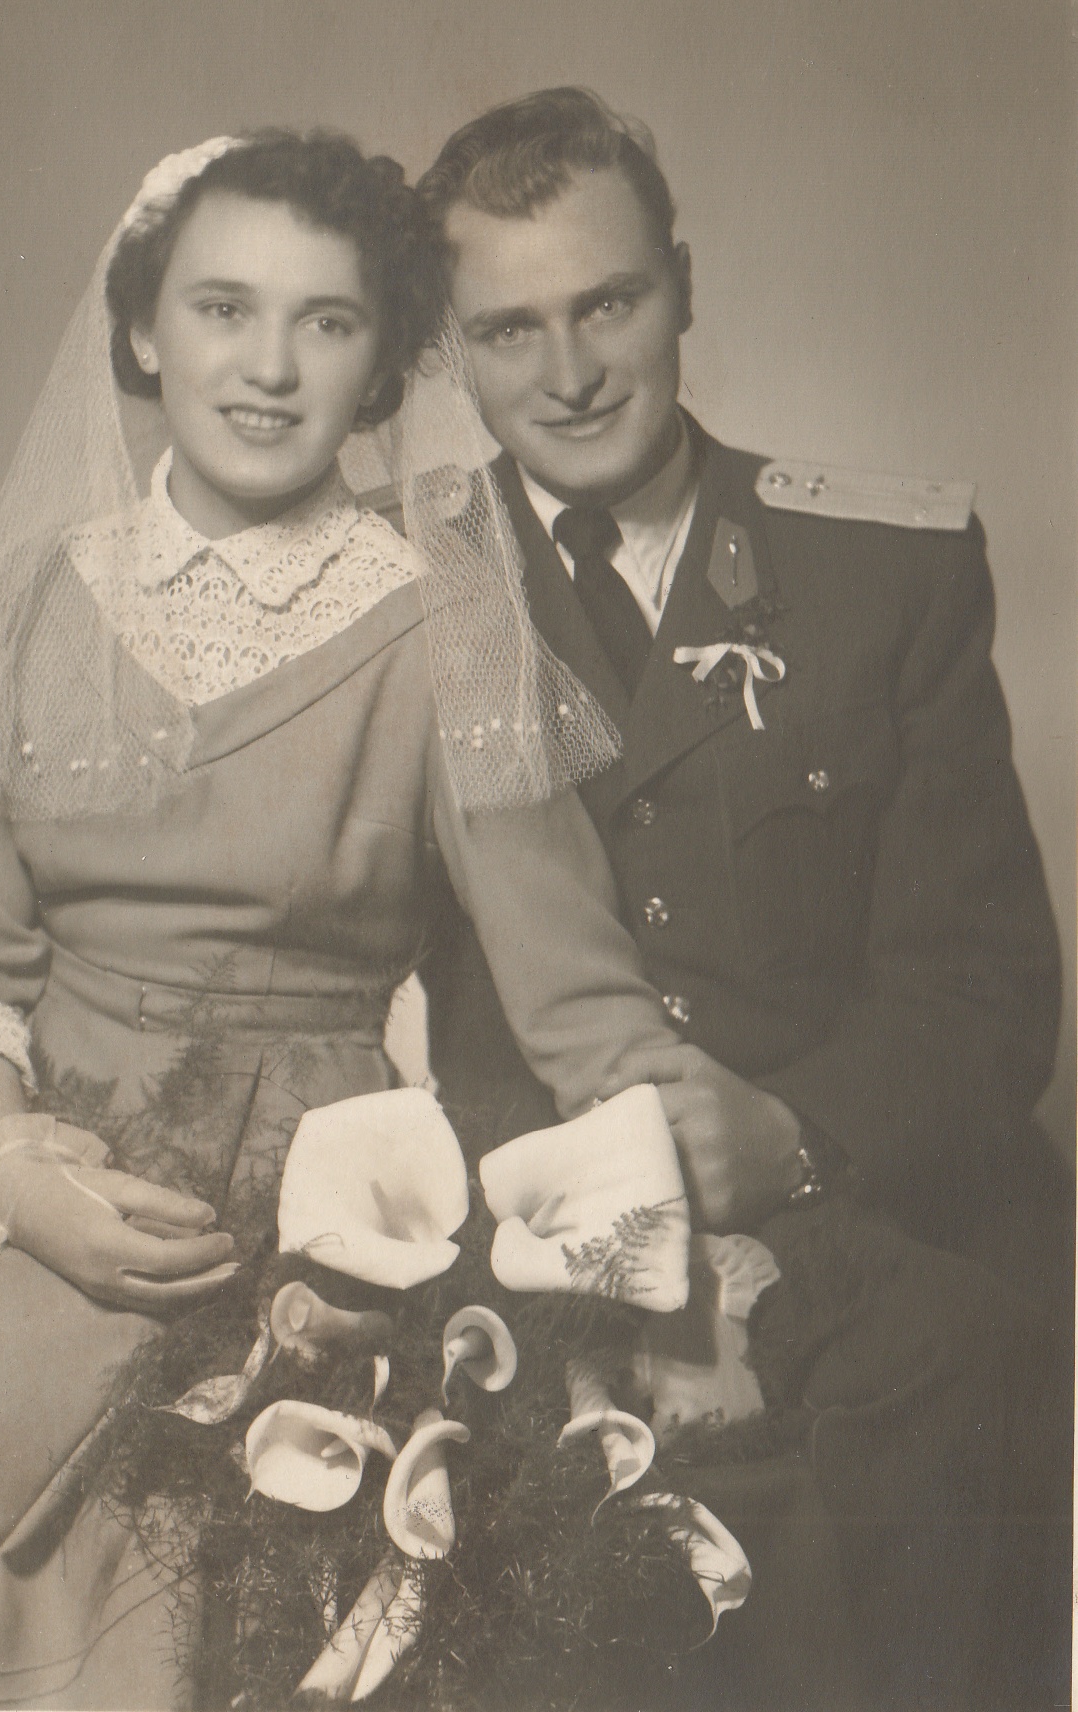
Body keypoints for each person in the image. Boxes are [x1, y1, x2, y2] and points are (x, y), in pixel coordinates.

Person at [0, 127, 693, 1710]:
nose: (270, 368)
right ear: (146, 332)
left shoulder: (447, 612)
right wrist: (12, 1168)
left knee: (194, 1547)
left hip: (301, 1202)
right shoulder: (36, 597)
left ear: (382, 366)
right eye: (222, 309)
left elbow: (575, 994)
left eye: (327, 321)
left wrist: (694, 1216)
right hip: (20, 1152)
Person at [413, 87, 1071, 1706]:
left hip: (880, 1237)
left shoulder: (885, 568)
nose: (568, 373)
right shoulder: (407, 585)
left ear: (684, 287)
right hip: (539, 1254)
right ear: (450, 352)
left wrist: (787, 1138)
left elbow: (985, 995)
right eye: (508, 330)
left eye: (608, 304)